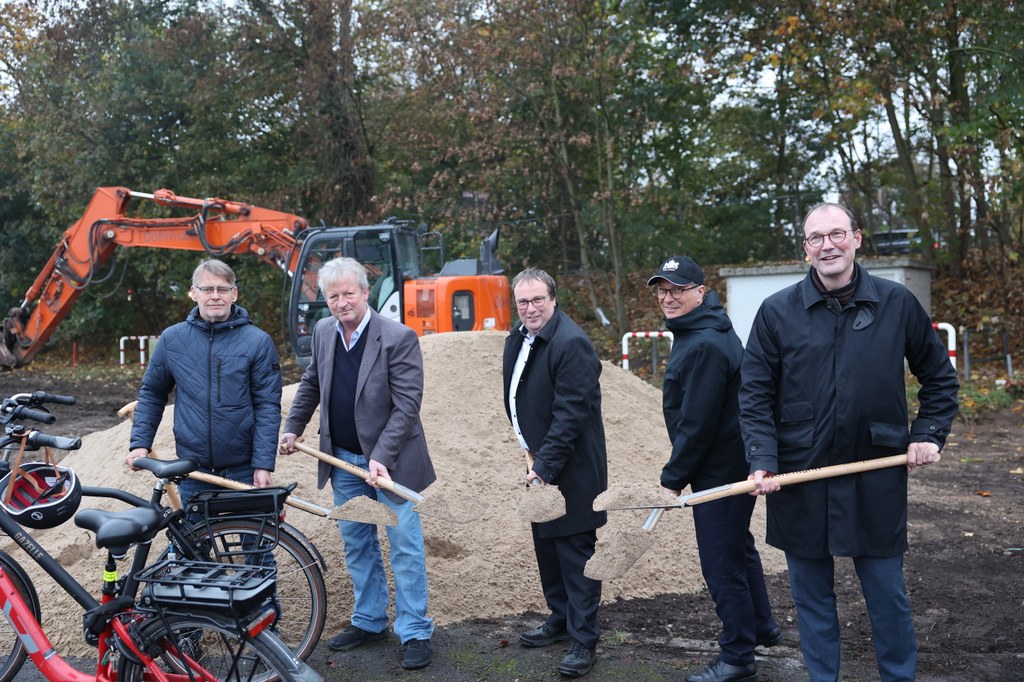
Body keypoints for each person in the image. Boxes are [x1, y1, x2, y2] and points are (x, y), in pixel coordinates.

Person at [739, 203, 959, 682]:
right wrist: (762, 460)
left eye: (836, 234)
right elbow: (754, 396)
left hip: (874, 470)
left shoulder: (895, 304)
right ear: (805, 249)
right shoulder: (777, 312)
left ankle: (898, 677)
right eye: (815, 238)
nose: (827, 245)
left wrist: (927, 434)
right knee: (811, 598)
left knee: (886, 594)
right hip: (800, 474)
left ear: (857, 238)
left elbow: (939, 380)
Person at [278, 256, 435, 671]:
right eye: (334, 296)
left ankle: (415, 630)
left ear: (366, 293)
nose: (342, 302)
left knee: (404, 546)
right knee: (358, 545)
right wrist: (293, 427)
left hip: (393, 463)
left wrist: (381, 457)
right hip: (343, 462)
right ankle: (369, 621)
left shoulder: (398, 337)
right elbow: (312, 384)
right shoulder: (325, 332)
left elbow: (407, 407)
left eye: (350, 293)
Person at [648, 256, 780, 682]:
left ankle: (738, 656)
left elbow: (697, 424)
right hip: (729, 462)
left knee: (722, 564)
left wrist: (672, 479)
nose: (668, 298)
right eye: (662, 290)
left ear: (699, 293)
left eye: (677, 290)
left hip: (719, 469)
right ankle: (760, 626)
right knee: (738, 549)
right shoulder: (701, 330)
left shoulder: (704, 343)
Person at [501, 267, 608, 678]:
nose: (530, 308)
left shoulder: (572, 344)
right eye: (523, 301)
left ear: (554, 298)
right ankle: (560, 619)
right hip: (539, 463)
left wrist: (544, 468)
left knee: (576, 554)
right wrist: (533, 459)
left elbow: (570, 416)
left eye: (538, 300)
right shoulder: (519, 336)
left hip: (571, 469)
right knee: (547, 545)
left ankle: (584, 640)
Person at [126, 258, 282, 504]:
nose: (215, 296)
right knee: (196, 539)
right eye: (207, 289)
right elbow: (153, 394)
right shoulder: (172, 340)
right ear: (193, 293)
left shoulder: (258, 342)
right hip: (193, 469)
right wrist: (140, 444)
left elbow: (267, 405)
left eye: (223, 289)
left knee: (251, 539)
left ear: (234, 294)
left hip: (244, 468)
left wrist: (263, 464)